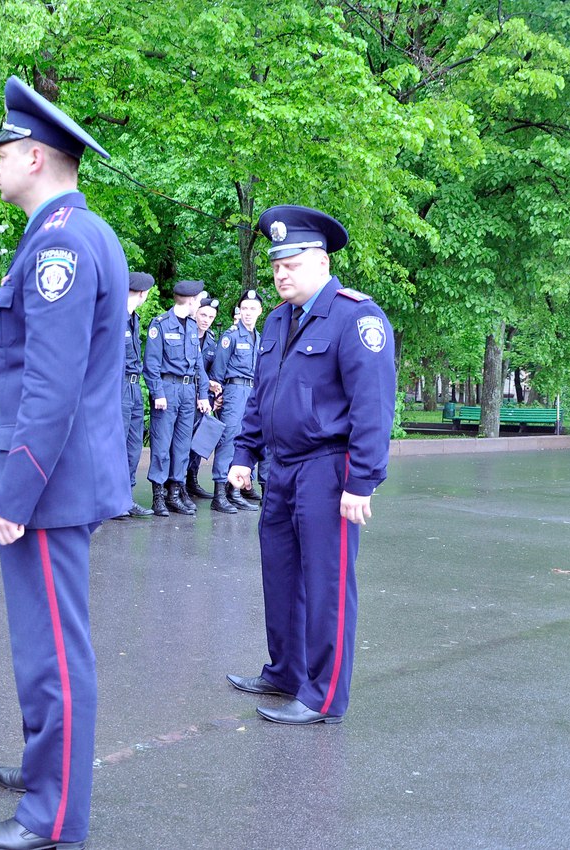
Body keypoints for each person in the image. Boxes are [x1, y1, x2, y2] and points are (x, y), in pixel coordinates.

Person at [0, 75, 130, 850]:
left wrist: (15, 491)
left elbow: (51, 385)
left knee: (53, 654)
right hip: (61, 477)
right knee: (46, 646)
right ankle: (47, 769)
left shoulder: (61, 242)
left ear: (35, 156)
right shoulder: (75, 230)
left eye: (2, 149)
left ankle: (54, 816)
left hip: (50, 481)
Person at [226, 205, 396, 725]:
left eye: (292, 263)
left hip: (330, 468)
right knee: (280, 575)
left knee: (326, 584)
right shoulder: (277, 320)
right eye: (276, 263)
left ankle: (323, 696)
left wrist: (361, 481)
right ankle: (285, 671)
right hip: (282, 468)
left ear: (321, 263)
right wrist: (243, 454)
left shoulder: (356, 317)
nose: (281, 273)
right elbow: (261, 396)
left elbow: (373, 406)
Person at [142, 280, 212, 517]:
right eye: (198, 300)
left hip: (187, 392)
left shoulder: (192, 326)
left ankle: (175, 491)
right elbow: (150, 363)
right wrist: (157, 392)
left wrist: (203, 394)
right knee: (162, 444)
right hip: (167, 389)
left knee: (182, 445)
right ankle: (159, 494)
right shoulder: (160, 324)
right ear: (191, 301)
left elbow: (199, 365)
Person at [209, 288, 263, 513]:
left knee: (247, 440)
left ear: (260, 311)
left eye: (252, 309)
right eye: (244, 309)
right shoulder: (230, 336)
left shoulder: (259, 338)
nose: (248, 313)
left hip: (252, 393)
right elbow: (217, 373)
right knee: (229, 440)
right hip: (233, 392)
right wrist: (216, 397)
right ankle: (219, 493)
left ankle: (235, 491)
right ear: (239, 311)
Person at [116, 271, 155, 518]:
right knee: (116, 445)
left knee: (132, 446)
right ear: (142, 293)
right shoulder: (114, 316)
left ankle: (125, 498)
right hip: (117, 387)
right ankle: (111, 501)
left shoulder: (133, 318)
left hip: (133, 387)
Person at [185, 295, 222, 502]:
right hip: (185, 393)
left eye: (211, 316)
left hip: (203, 398)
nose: (206, 319)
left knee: (199, 441)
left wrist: (215, 390)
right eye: (203, 314)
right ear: (196, 314)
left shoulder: (211, 341)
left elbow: (212, 371)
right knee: (180, 441)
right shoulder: (185, 332)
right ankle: (173, 484)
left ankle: (192, 480)